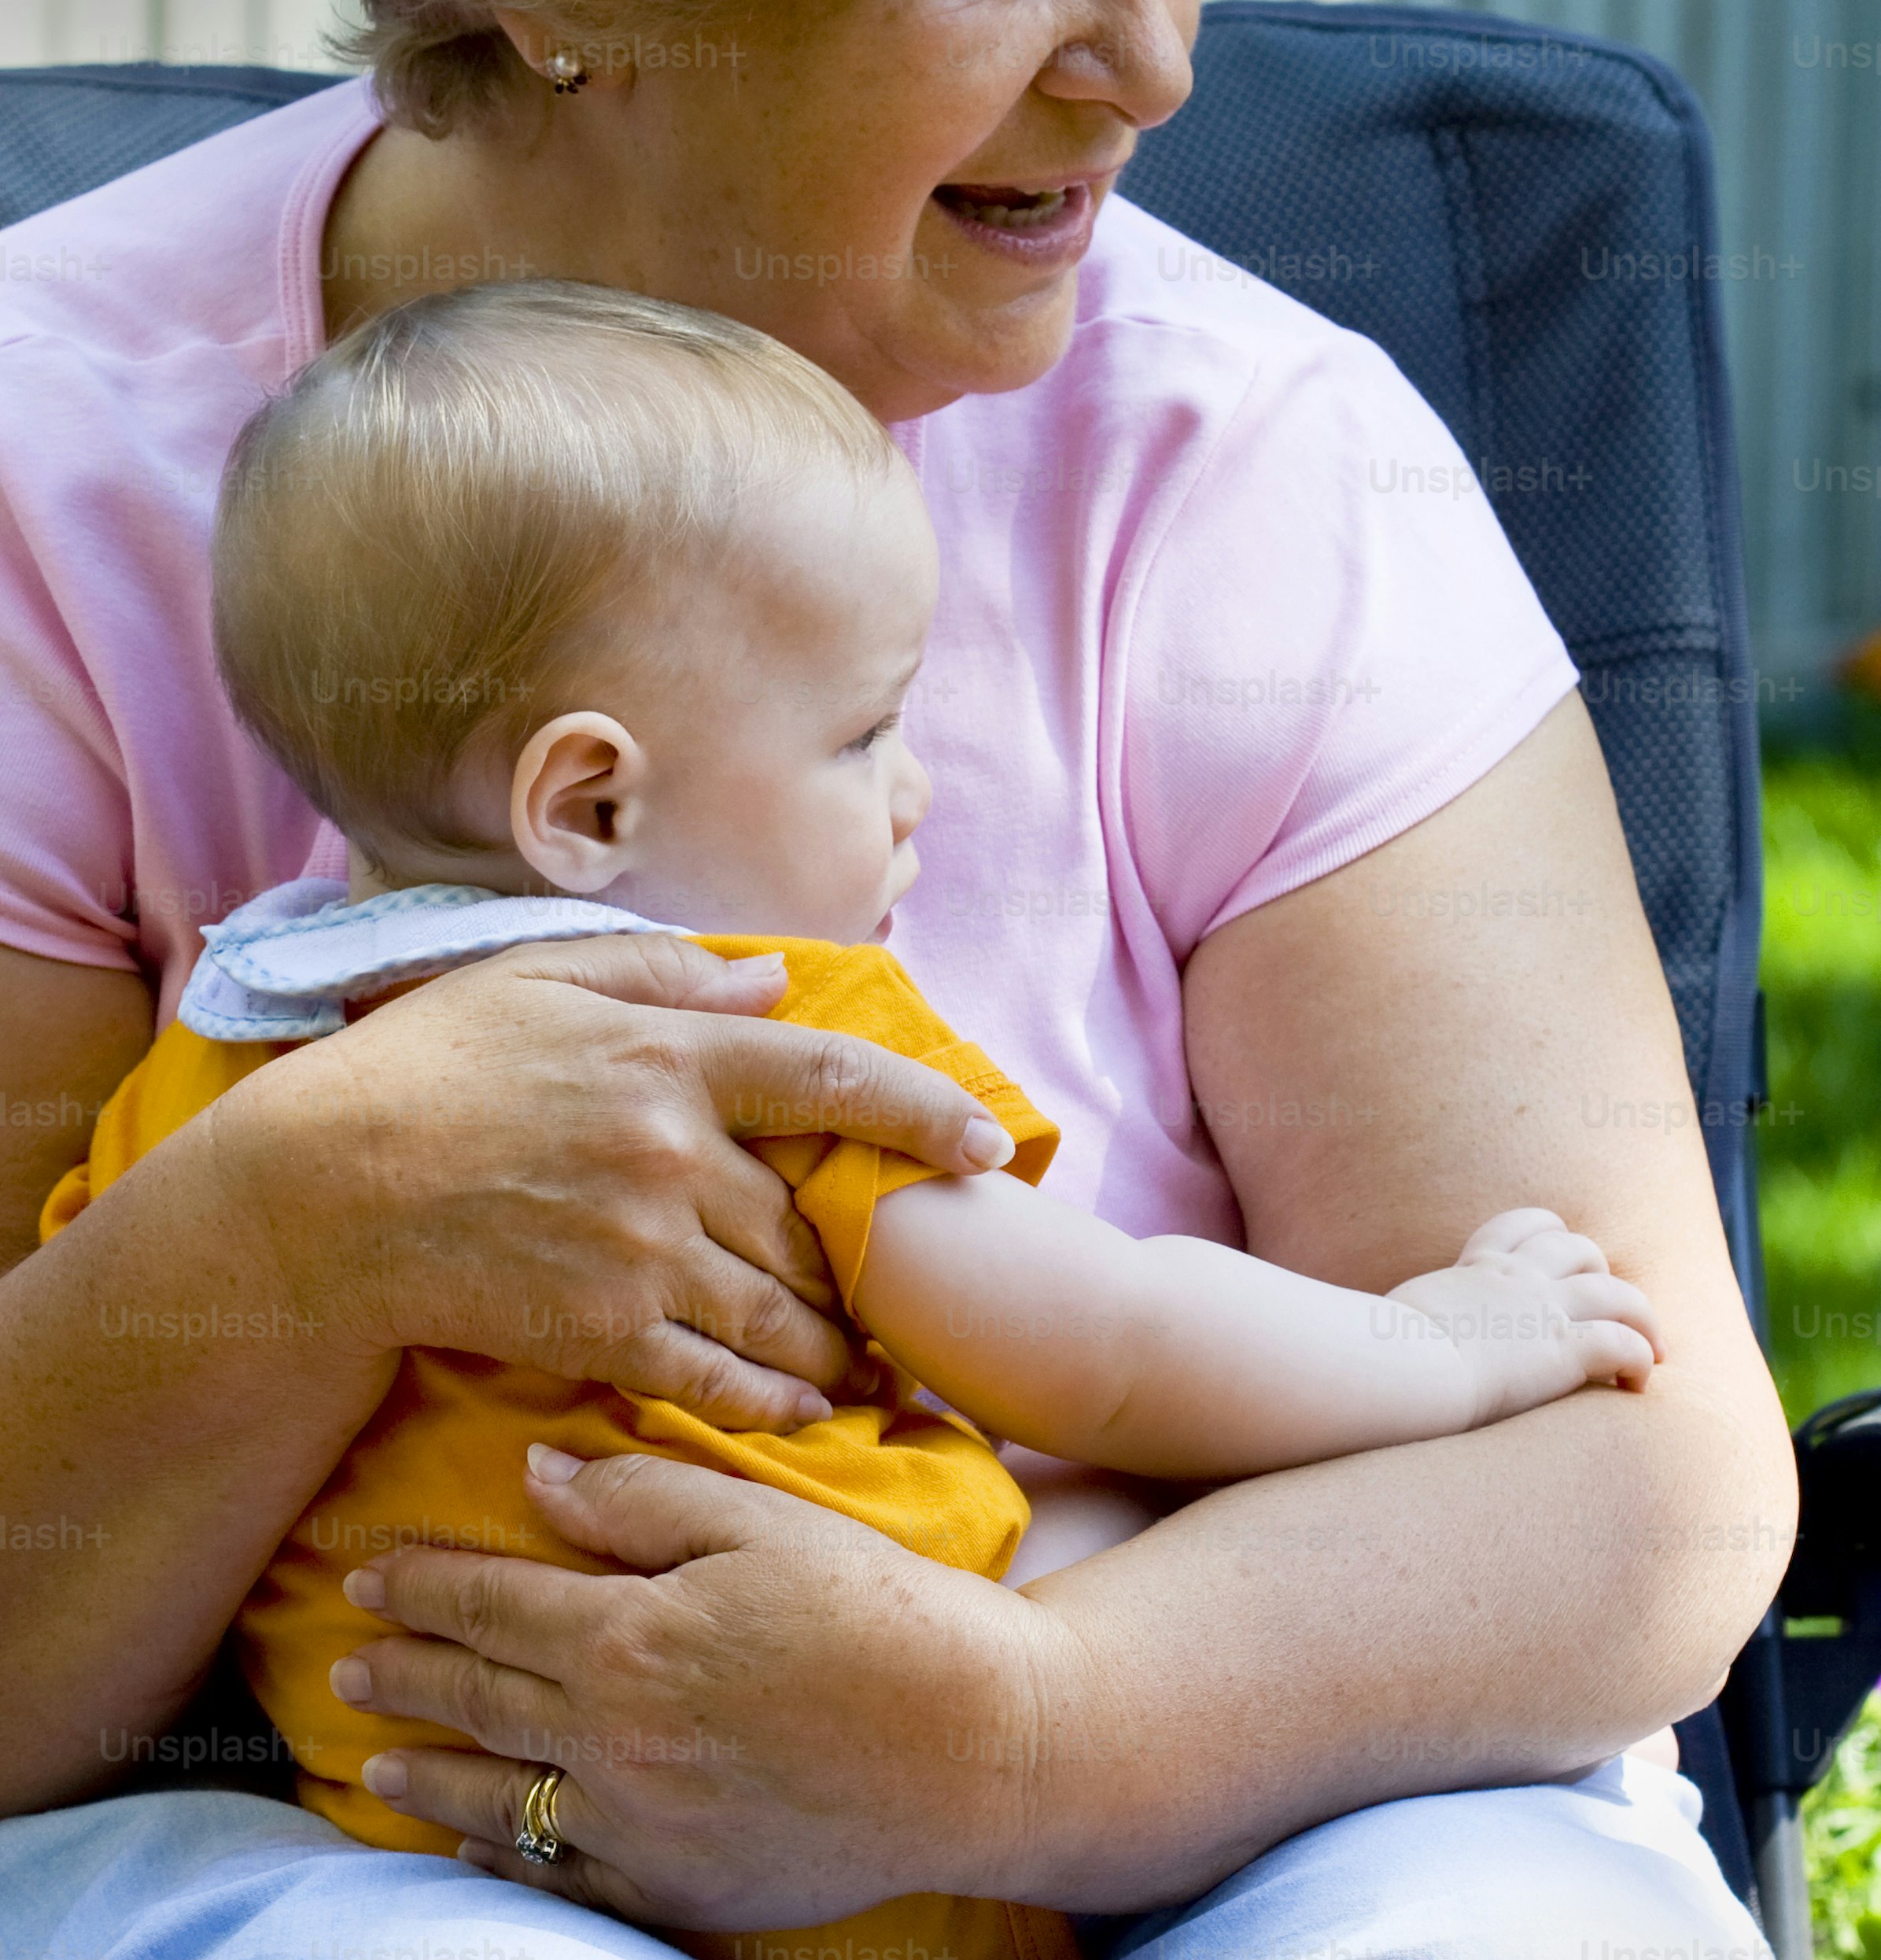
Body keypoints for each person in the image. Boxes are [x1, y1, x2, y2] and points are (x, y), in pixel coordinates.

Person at [0, 0, 1788, 1960]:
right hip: (354, 1813)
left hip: (1229, 1735)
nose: (1156, 54)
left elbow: (1636, 1475)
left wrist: (1010, 1736)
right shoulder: (55, 461)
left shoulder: (1250, 460)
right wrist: (291, 1224)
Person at [44, 275, 1669, 1960]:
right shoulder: (763, 1033)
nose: (916, 786)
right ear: (588, 802)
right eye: (864, 730)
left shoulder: (219, 1061)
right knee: (1114, 1499)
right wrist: (1453, 1346)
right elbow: (1106, 1345)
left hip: (449, 1844)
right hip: (872, 1836)